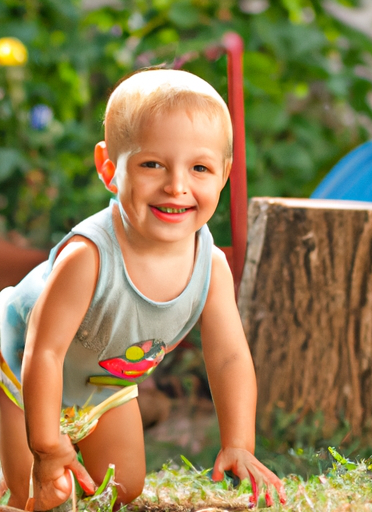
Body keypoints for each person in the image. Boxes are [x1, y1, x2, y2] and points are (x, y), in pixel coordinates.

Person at [0, 68, 286, 510]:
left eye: (200, 168)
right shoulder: (89, 256)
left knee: (122, 489)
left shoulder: (209, 265)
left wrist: (239, 443)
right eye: (152, 164)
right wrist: (46, 442)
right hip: (20, 374)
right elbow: (44, 351)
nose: (177, 185)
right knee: (38, 498)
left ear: (224, 174)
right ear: (110, 169)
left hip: (102, 388)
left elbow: (229, 356)